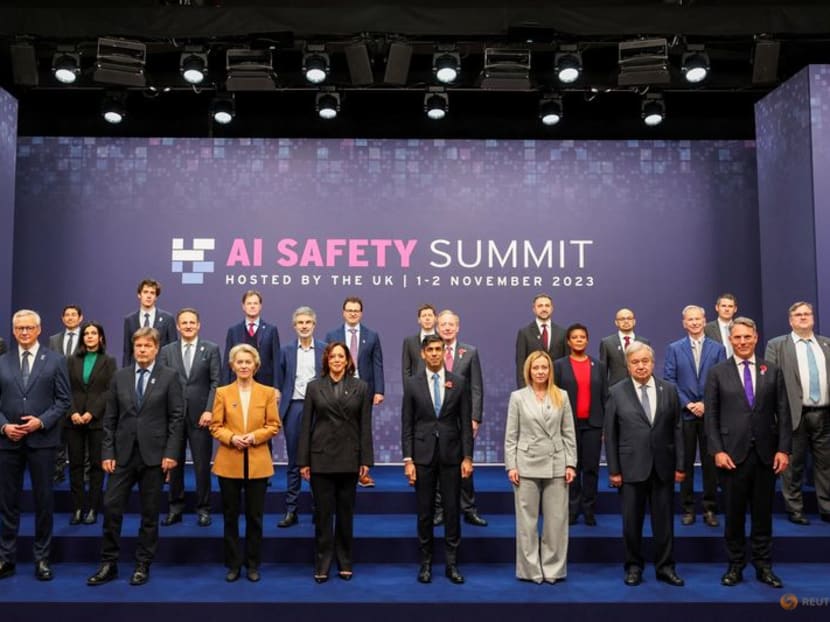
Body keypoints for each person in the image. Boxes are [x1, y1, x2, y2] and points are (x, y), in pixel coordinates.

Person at [87, 327, 184, 587]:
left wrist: (172, 453)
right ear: (133, 348)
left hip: (155, 456)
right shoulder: (120, 377)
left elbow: (177, 418)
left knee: (150, 514)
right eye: (138, 346)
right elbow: (110, 418)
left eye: (147, 346)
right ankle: (109, 563)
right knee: (111, 507)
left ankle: (143, 564)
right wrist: (107, 452)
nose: (142, 350)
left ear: (156, 349)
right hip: (122, 456)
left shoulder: (169, 377)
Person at [706, 317, 792, 588]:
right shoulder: (718, 372)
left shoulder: (773, 370)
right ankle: (735, 565)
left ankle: (764, 566)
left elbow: (785, 413)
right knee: (733, 514)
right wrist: (717, 450)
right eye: (737, 337)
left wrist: (784, 449)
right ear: (730, 340)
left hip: (766, 456)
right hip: (732, 456)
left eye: (747, 337)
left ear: (756, 338)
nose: (742, 342)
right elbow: (711, 417)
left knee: (763, 514)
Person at [604, 341, 685, 587]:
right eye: (635, 362)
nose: (641, 366)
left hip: (663, 467)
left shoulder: (669, 389)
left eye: (645, 361)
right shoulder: (617, 391)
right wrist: (614, 470)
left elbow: (678, 430)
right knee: (631, 523)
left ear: (653, 362)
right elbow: (611, 434)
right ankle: (633, 567)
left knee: (665, 523)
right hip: (630, 469)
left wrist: (681, 465)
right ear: (628, 365)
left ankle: (665, 567)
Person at [0, 310, 71, 581]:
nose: (25, 332)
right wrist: (4, 426)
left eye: (29, 328)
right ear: (14, 330)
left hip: (42, 442)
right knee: (8, 502)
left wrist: (40, 422)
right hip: (8, 442)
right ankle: (6, 558)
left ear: (39, 329)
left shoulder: (55, 360)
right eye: (20, 328)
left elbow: (64, 401)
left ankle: (42, 559)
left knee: (43, 501)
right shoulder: (2, 362)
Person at [298, 341, 373, 582]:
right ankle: (322, 561)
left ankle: (345, 559)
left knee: (345, 513)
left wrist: (366, 459)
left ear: (348, 360)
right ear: (327, 360)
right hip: (320, 458)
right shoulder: (313, 387)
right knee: (322, 514)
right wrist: (304, 461)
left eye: (341, 356)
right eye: (333, 357)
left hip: (349, 458)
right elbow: (305, 427)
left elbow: (365, 426)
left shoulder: (361, 387)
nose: (337, 360)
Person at [401, 334, 473, 585]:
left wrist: (467, 456)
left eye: (438, 349)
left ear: (444, 352)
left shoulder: (459, 382)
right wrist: (408, 460)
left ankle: (452, 564)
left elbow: (465, 423)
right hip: (422, 456)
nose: (434, 353)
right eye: (429, 349)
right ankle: (426, 564)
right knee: (424, 513)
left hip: (452, 455)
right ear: (422, 353)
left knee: (452, 511)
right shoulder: (412, 384)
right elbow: (407, 424)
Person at [210, 344, 280, 583]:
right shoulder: (222, 392)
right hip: (229, 462)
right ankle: (233, 564)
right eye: (239, 362)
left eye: (248, 362)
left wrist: (254, 437)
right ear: (232, 365)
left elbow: (273, 425)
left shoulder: (268, 392)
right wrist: (232, 438)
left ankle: (252, 564)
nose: (243, 366)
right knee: (230, 517)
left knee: (255, 517)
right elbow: (215, 426)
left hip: (258, 462)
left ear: (256, 366)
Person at [505, 350, 576, 583]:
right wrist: (511, 466)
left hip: (556, 463)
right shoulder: (517, 397)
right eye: (536, 368)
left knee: (556, 522)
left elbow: (568, 433)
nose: (540, 372)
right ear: (529, 370)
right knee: (527, 522)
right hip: (525, 465)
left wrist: (571, 463)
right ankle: (530, 570)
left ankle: (553, 570)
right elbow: (511, 436)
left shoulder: (561, 396)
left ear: (550, 370)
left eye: (544, 367)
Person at [764, 301, 830, 525]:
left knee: (826, 465)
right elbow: (769, 384)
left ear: (813, 318)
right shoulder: (777, 345)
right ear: (790, 320)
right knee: (793, 466)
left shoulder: (826, 344)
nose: (803, 317)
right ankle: (795, 509)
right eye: (798, 315)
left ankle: (827, 507)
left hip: (824, 414)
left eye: (807, 314)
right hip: (794, 415)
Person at [663, 305, 726, 527]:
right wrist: (689, 404)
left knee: (710, 465)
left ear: (704, 320)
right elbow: (669, 380)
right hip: (685, 414)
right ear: (684, 323)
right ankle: (688, 508)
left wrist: (704, 404)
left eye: (698, 319)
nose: (694, 323)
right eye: (690, 320)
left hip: (709, 414)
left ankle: (710, 509)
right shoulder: (674, 348)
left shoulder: (718, 348)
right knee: (685, 463)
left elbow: (721, 380)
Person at [159, 308, 221, 527]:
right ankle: (175, 508)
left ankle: (203, 509)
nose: (187, 326)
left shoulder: (211, 349)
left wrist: (209, 409)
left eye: (191, 322)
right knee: (173, 465)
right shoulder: (166, 351)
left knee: (202, 466)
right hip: (173, 417)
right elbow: (163, 384)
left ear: (198, 325)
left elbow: (216, 382)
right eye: (183, 323)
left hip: (200, 416)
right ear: (177, 326)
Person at [324, 296, 384, 487]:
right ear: (343, 312)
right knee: (339, 428)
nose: (352, 313)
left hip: (364, 389)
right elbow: (325, 363)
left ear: (361, 313)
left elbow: (377, 364)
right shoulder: (332, 335)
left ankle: (363, 471)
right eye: (349, 310)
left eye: (356, 310)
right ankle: (342, 467)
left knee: (363, 428)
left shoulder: (372, 335)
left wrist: (379, 390)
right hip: (338, 387)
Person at [436, 309, 487, 526]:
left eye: (451, 324)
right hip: (437, 418)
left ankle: (468, 508)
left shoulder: (470, 352)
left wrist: (475, 418)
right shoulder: (431, 350)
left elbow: (476, 387)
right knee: (437, 463)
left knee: (465, 464)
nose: (447, 328)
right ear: (438, 327)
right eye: (443, 324)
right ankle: (439, 509)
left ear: (458, 327)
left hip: (462, 418)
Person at [275, 306, 325, 528]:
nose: (304, 326)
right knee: (294, 461)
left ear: (314, 325)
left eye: (308, 322)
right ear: (294, 326)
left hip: (319, 410)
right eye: (300, 323)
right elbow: (278, 381)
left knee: (318, 461)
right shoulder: (285, 351)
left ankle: (319, 509)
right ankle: (291, 510)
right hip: (293, 408)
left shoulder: (325, 350)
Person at [554, 323, 607, 526]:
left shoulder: (599, 366)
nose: (578, 340)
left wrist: (605, 426)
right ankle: (573, 509)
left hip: (593, 424)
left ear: (587, 340)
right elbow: (555, 396)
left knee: (591, 468)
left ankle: (589, 508)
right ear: (568, 341)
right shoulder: (559, 365)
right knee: (571, 467)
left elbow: (605, 396)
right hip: (568, 426)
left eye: (582, 337)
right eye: (574, 337)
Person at [66, 321, 116, 526]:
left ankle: (93, 509)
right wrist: (73, 413)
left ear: (101, 337)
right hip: (73, 420)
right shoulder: (70, 360)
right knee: (76, 465)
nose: (89, 336)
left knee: (96, 466)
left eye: (94, 333)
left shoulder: (109, 361)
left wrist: (91, 413)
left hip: (96, 420)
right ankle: (78, 508)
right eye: (86, 333)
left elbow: (109, 390)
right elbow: (64, 388)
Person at [48, 304, 84, 483]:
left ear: (80, 318)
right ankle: (58, 470)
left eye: (73, 315)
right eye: (67, 315)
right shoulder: (53, 340)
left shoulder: (87, 338)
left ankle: (84, 471)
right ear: (63, 319)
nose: (70, 318)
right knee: (58, 436)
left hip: (80, 392)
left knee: (81, 436)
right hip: (58, 393)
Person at [223, 289, 280, 386]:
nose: (252, 306)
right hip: (237, 382)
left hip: (265, 383)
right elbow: (227, 361)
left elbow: (276, 361)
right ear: (243, 307)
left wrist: (276, 387)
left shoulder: (271, 330)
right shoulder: (233, 331)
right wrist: (225, 386)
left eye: (255, 303)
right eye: (249, 303)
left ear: (260, 306)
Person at [514, 293, 566, 388]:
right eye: (540, 306)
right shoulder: (524, 333)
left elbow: (566, 365)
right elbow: (521, 365)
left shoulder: (563, 333)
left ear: (552, 308)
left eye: (547, 305)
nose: (544, 309)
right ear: (534, 309)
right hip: (532, 389)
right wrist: (523, 391)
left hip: (557, 389)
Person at [122, 279, 177, 367]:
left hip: (161, 370)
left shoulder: (168, 319)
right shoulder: (129, 320)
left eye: (152, 293)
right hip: (136, 369)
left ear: (156, 297)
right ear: (139, 295)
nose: (149, 296)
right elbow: (127, 351)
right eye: (145, 292)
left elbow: (173, 350)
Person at [599, 308, 649, 386]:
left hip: (640, 386)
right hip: (615, 389)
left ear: (634, 321)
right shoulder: (607, 343)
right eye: (622, 319)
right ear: (616, 322)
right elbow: (603, 371)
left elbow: (648, 367)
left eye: (629, 318)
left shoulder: (644, 342)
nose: (626, 321)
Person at [401, 303, 437, 381]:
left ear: (435, 319)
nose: (427, 318)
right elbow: (406, 371)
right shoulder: (409, 342)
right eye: (424, 316)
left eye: (430, 315)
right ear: (419, 320)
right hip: (417, 388)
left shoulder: (442, 340)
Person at [704, 293, 738, 358]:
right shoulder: (707, 329)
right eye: (723, 306)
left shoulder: (740, 328)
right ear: (717, 307)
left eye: (730, 306)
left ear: (735, 309)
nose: (727, 309)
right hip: (716, 366)